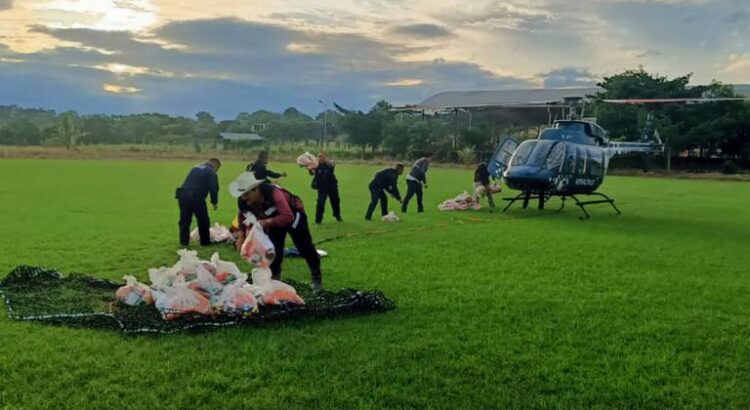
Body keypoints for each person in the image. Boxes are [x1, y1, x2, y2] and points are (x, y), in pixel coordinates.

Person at [230, 172, 323, 292]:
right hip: (273, 221)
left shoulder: (274, 193)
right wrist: (242, 235)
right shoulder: (243, 201)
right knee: (274, 250)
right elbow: (242, 215)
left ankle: (316, 278)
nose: (244, 198)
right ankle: (274, 280)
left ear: (255, 189)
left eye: (246, 194)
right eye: (242, 195)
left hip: (294, 217)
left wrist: (266, 222)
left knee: (305, 247)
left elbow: (287, 216)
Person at [176, 158, 221, 246]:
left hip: (182, 195)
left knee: (185, 220)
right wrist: (214, 202)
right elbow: (214, 188)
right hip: (196, 197)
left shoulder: (195, 167)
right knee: (203, 220)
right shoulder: (211, 172)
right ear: (216, 166)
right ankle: (205, 242)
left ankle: (183, 242)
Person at [310, 151, 341, 224]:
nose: (320, 158)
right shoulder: (316, 165)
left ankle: (337, 215)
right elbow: (312, 173)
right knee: (320, 203)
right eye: (319, 156)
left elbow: (332, 165)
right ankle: (318, 220)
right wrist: (310, 169)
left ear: (326, 157)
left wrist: (326, 160)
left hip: (332, 186)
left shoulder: (331, 163)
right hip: (322, 187)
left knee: (335, 201)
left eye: (322, 156)